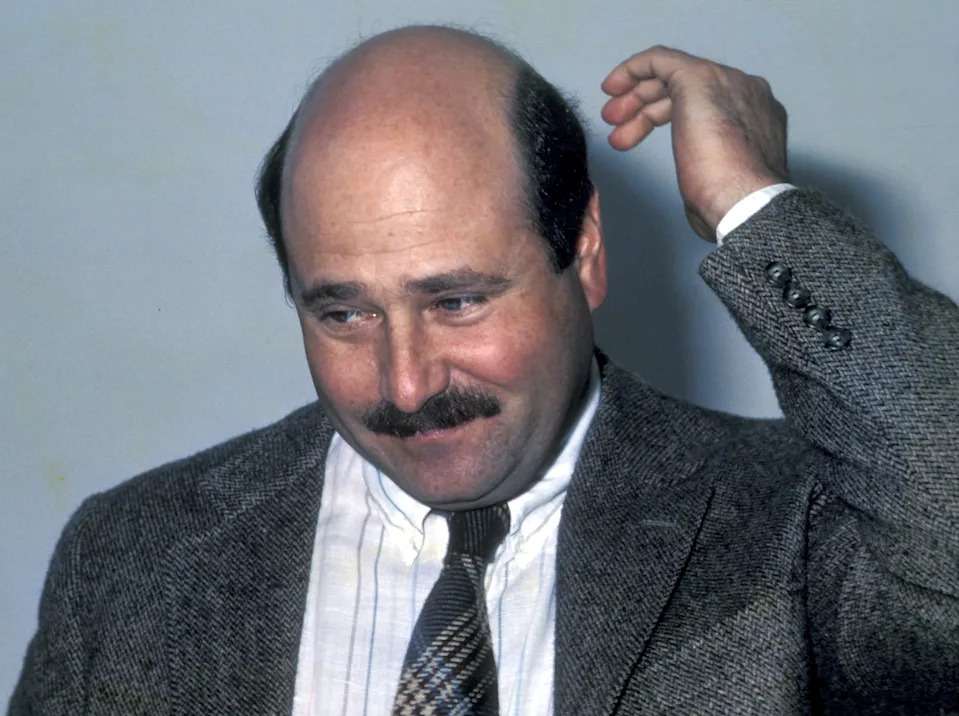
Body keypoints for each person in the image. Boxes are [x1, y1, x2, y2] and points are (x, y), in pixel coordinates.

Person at [10, 24, 959, 715]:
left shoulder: (793, 522)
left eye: (457, 300)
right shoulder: (132, 559)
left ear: (584, 250)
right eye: (343, 313)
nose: (407, 385)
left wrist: (751, 206)